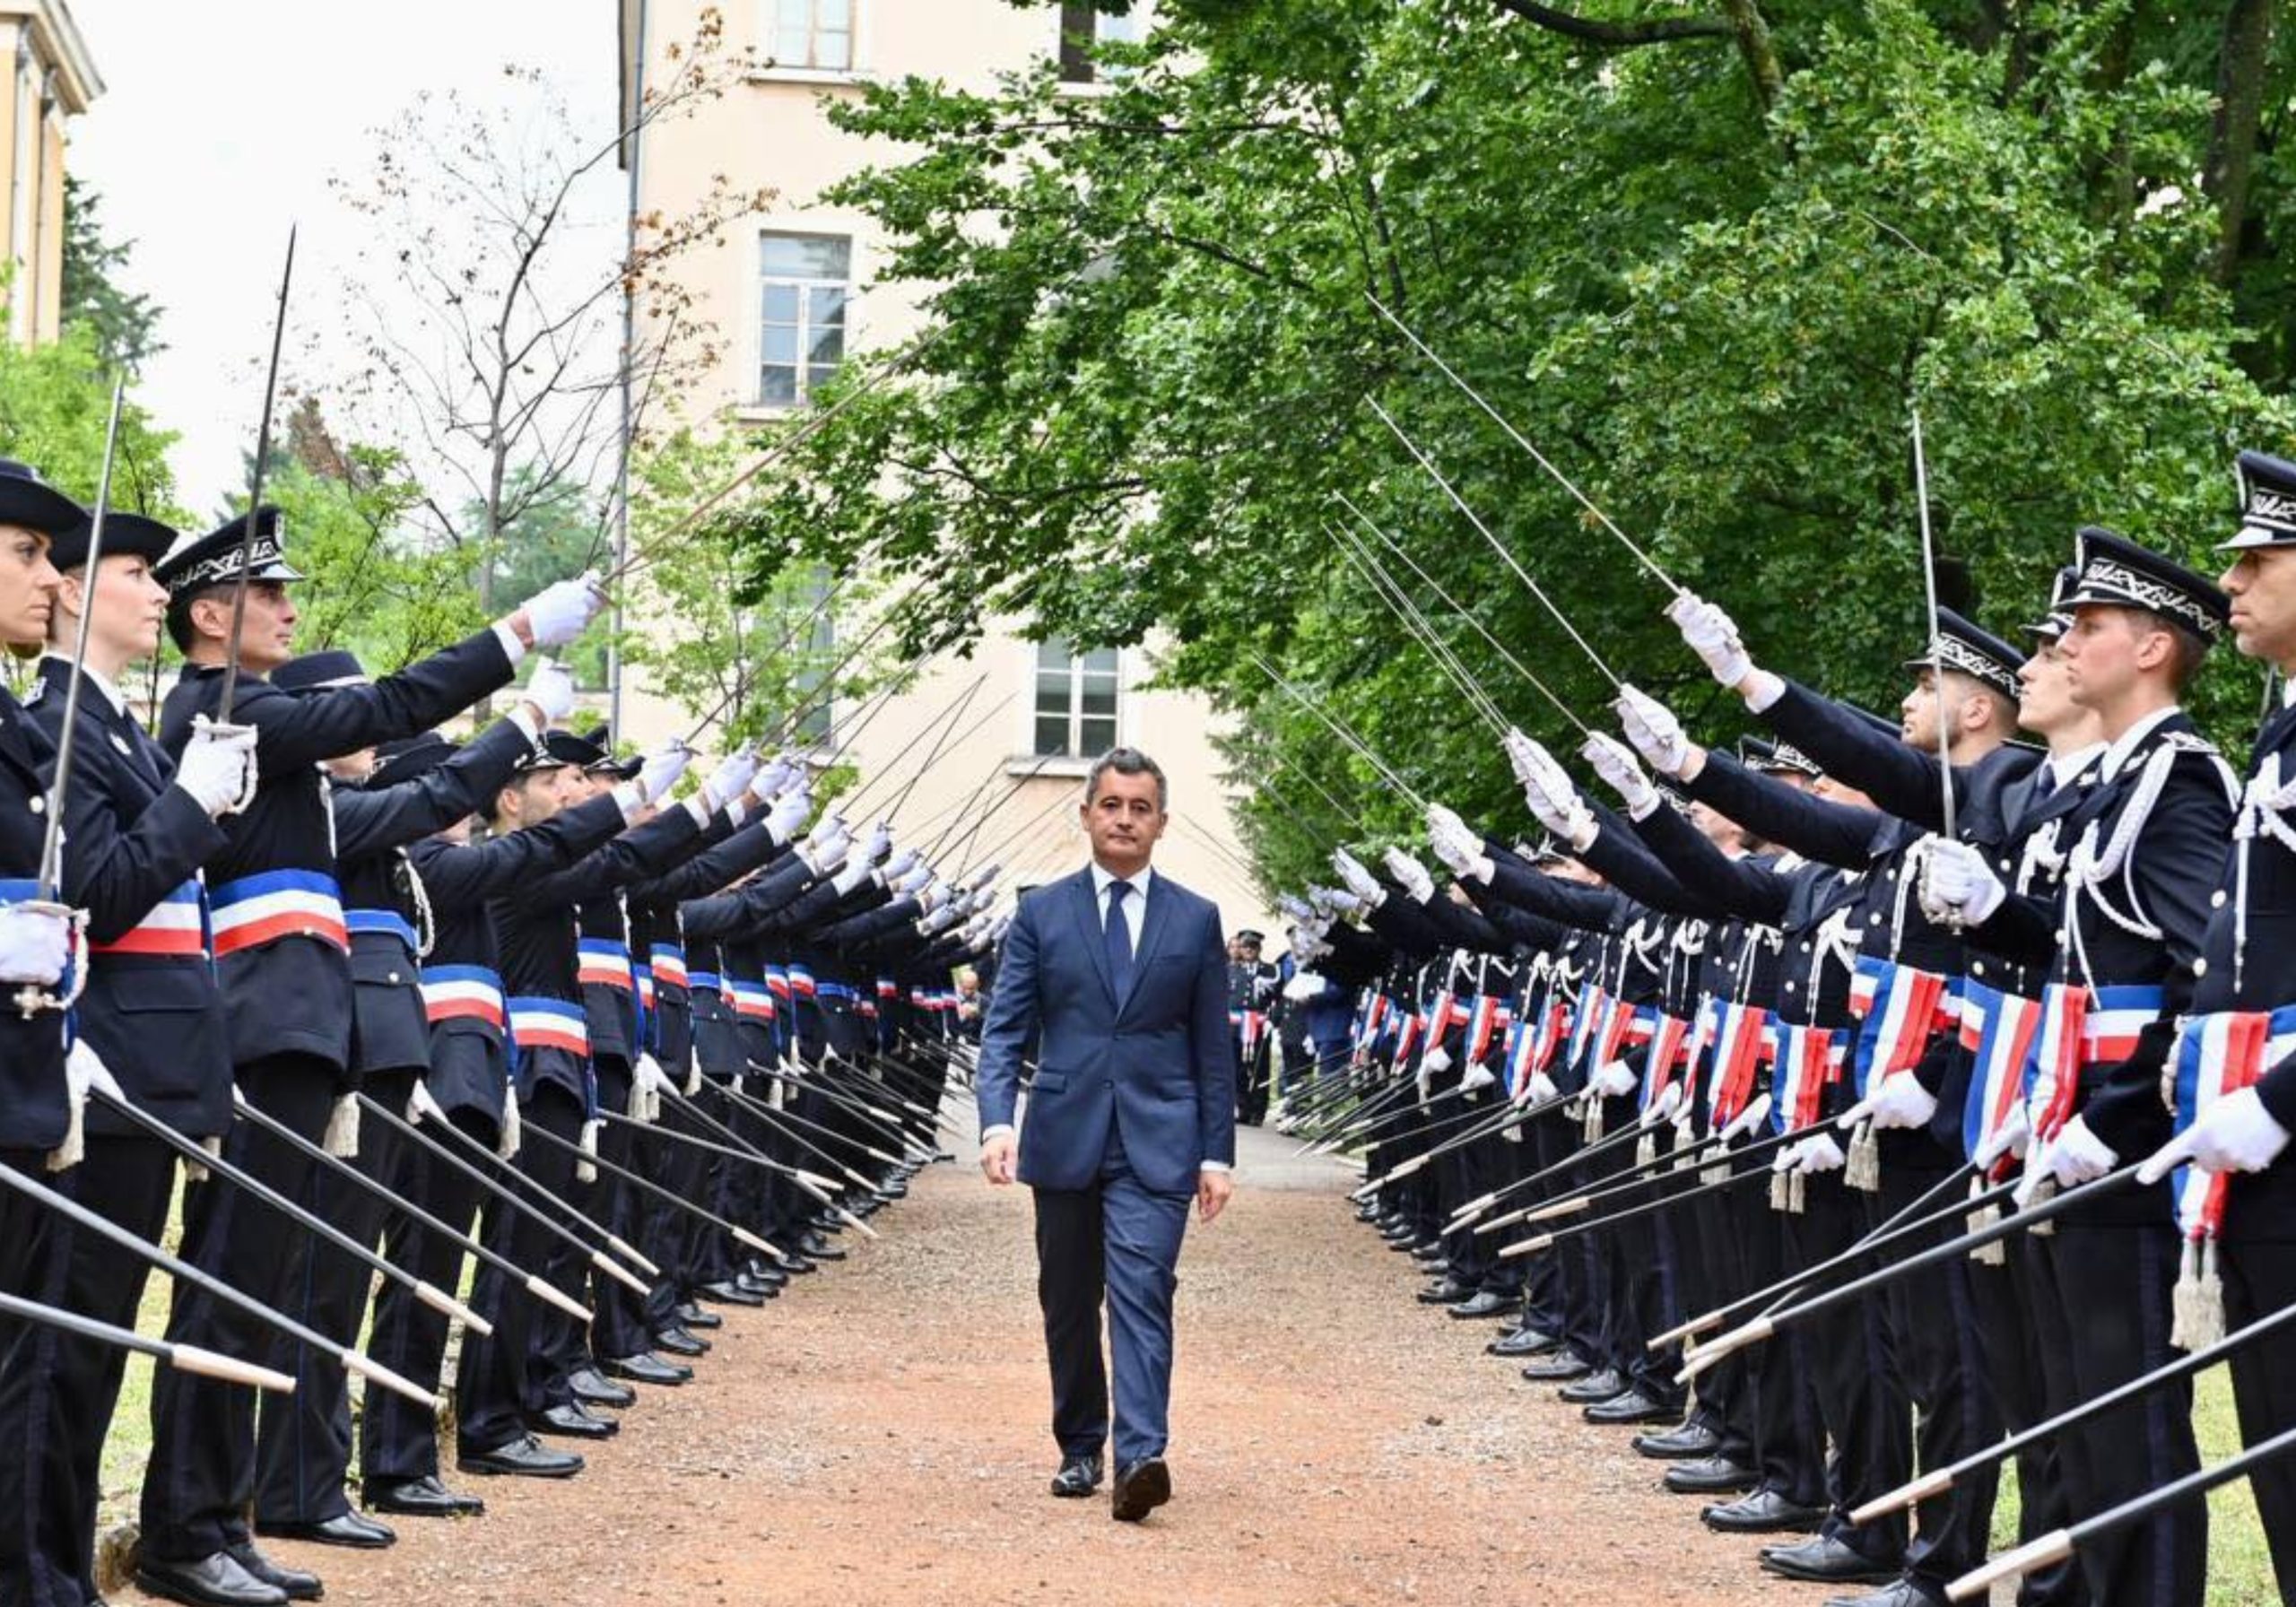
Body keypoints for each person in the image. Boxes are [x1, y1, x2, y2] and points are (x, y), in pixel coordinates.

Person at [974, 746, 1237, 1521]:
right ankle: (1081, 1444)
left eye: (1140, 808)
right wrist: (996, 1119)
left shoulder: (1195, 919)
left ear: (1162, 823)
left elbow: (1212, 1050)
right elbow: (1005, 1029)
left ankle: (1140, 1457)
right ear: (1086, 813)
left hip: (1160, 1137)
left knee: (1144, 1290)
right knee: (1067, 1297)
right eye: (1112, 805)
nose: (1125, 819)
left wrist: (1216, 1152)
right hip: (1063, 1133)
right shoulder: (1040, 913)